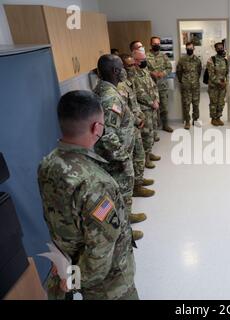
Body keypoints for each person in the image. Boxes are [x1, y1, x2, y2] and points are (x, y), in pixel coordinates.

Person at [38, 90, 138, 300]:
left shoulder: (47, 163)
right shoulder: (95, 183)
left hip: (70, 262)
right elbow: (100, 254)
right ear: (97, 128)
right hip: (109, 288)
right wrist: (74, 280)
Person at [94, 54, 145, 241]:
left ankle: (126, 219)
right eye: (122, 67)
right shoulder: (109, 97)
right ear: (116, 71)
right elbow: (107, 134)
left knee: (120, 197)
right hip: (116, 159)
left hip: (117, 155)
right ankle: (124, 236)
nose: (125, 70)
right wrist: (123, 157)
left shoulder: (104, 89)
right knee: (119, 197)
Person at [118, 53, 156, 198]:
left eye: (134, 64)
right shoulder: (119, 87)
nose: (133, 67)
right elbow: (124, 109)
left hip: (134, 124)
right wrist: (136, 119)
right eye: (129, 65)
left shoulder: (128, 82)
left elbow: (133, 103)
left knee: (138, 155)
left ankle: (138, 182)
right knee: (133, 158)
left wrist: (140, 116)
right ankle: (135, 186)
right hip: (127, 128)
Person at [132, 49, 161, 169]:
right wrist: (151, 102)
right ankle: (145, 159)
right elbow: (139, 92)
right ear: (135, 60)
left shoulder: (145, 71)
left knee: (152, 132)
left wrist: (157, 99)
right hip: (144, 109)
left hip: (153, 107)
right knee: (146, 135)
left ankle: (149, 152)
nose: (145, 61)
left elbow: (153, 86)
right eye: (142, 60)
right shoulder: (133, 74)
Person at [147, 36, 174, 133]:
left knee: (164, 107)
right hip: (150, 87)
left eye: (158, 44)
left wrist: (163, 73)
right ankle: (153, 128)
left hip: (162, 86)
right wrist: (151, 73)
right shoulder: (146, 56)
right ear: (151, 44)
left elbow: (169, 68)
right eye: (154, 44)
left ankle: (165, 125)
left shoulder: (164, 56)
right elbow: (142, 69)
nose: (156, 45)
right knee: (152, 108)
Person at [176, 41, 202, 130]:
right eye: (188, 48)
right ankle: (187, 121)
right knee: (186, 104)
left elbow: (199, 72)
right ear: (186, 49)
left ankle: (195, 120)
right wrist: (183, 81)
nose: (189, 49)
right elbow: (178, 72)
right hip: (186, 86)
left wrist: (194, 80)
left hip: (195, 86)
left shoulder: (197, 60)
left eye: (191, 48)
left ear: (194, 49)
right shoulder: (182, 60)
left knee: (196, 104)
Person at [207, 42, 229, 126]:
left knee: (221, 102)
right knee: (213, 103)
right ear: (215, 49)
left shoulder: (225, 61)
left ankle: (218, 118)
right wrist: (220, 83)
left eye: (221, 47)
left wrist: (225, 82)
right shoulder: (211, 59)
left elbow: (226, 73)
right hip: (214, 86)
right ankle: (213, 119)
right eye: (218, 48)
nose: (220, 49)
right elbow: (211, 74)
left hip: (222, 86)